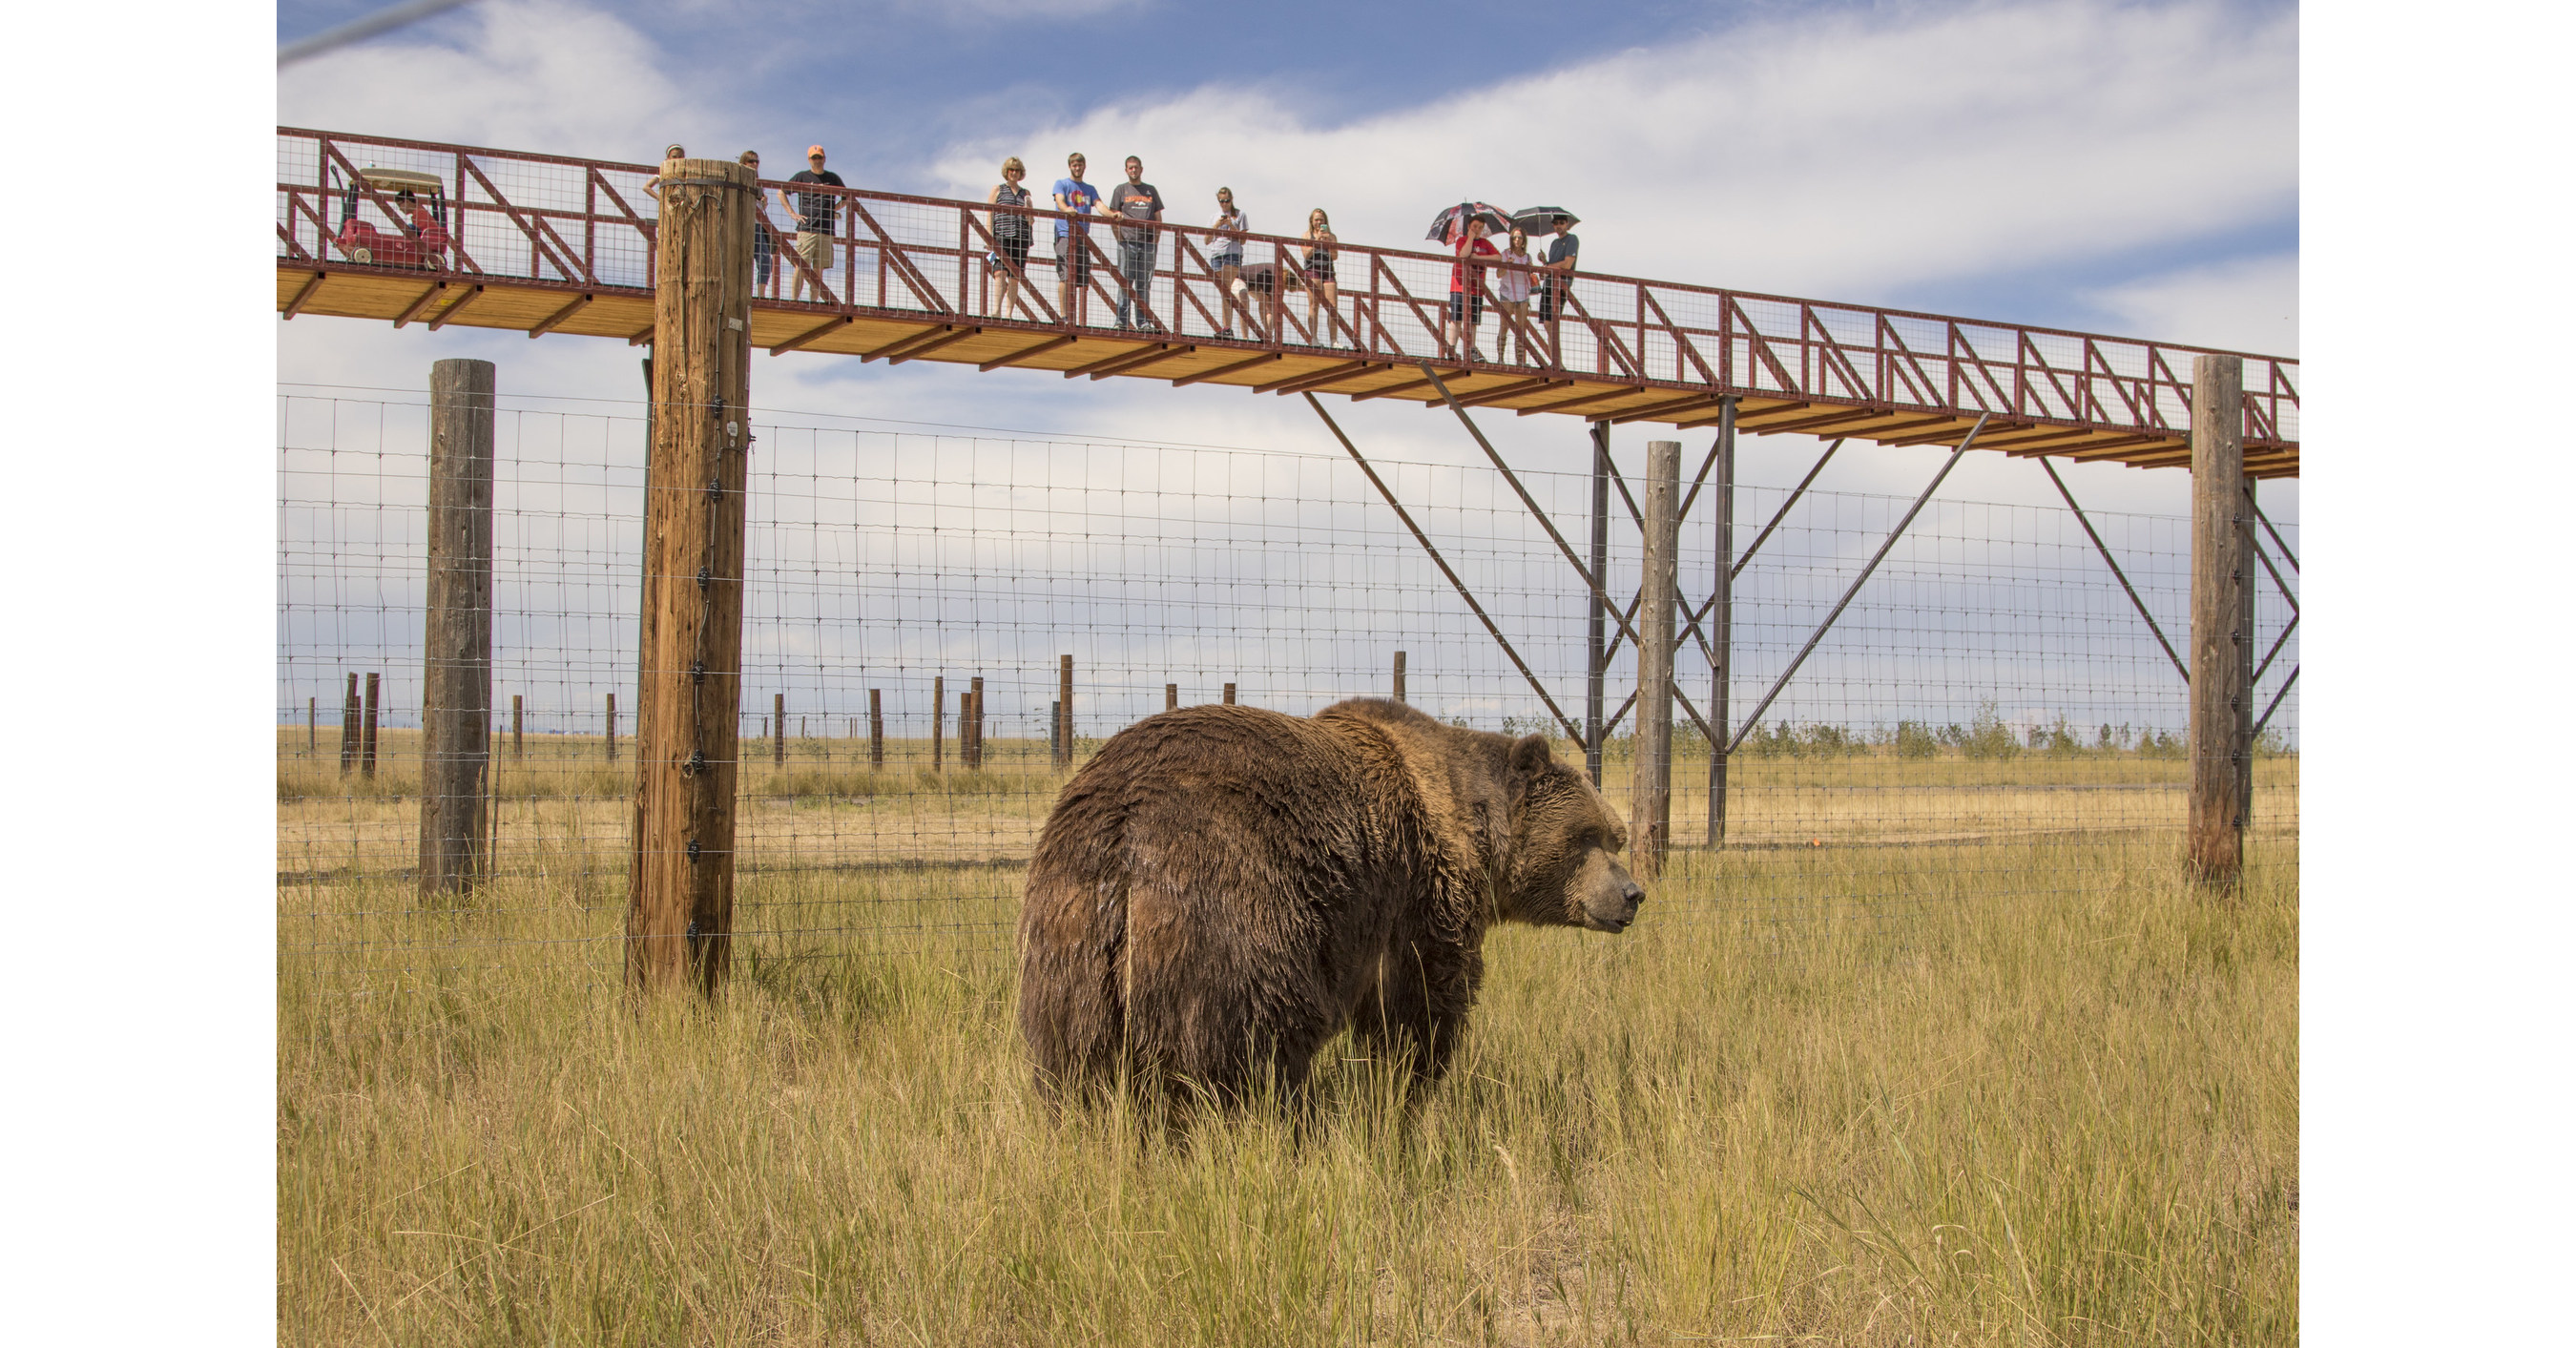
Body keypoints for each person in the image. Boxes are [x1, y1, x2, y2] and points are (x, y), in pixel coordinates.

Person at [1106, 156, 1165, 332]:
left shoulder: (1150, 190)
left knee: (1144, 284)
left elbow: (1158, 218)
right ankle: (1121, 321)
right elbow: (1112, 216)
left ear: (1141, 169)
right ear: (1126, 170)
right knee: (1125, 282)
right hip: (1127, 242)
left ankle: (1143, 322)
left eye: (1136, 167)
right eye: (1130, 168)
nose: (1133, 170)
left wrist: (1155, 241)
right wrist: (1120, 238)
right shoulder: (1121, 190)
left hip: (1147, 243)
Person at [780, 145, 845, 302]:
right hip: (807, 229)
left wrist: (833, 209)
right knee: (801, 266)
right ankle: (794, 301)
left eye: (819, 157)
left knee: (818, 270)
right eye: (814, 158)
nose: (817, 161)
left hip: (826, 230)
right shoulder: (802, 176)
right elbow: (781, 192)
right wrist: (792, 214)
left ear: (824, 159)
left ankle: (813, 303)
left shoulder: (833, 178)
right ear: (809, 160)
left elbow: (847, 197)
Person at [1051, 153, 1102, 325]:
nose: (1077, 167)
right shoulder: (1062, 184)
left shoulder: (1089, 189)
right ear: (1070, 166)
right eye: (1074, 165)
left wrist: (1114, 214)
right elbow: (1060, 201)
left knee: (1081, 278)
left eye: (1080, 164)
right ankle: (1065, 316)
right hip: (1065, 234)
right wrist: (1067, 209)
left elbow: (1099, 204)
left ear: (1084, 166)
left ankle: (1078, 317)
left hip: (1082, 237)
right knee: (1065, 275)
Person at [1444, 216, 1500, 363]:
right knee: (1456, 318)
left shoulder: (1485, 243)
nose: (1478, 230)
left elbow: (1498, 257)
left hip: (1476, 287)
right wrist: (1470, 238)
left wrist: (1479, 258)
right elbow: (1463, 254)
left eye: (1481, 227)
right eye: (1475, 226)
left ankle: (1471, 349)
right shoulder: (1462, 241)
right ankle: (1451, 349)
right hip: (1459, 286)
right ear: (1469, 226)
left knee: (1474, 320)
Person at [987, 156, 1035, 320]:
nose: (1014, 173)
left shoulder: (1025, 193)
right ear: (1006, 172)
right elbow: (990, 213)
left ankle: (1008, 314)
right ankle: (996, 310)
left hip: (1021, 236)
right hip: (1001, 234)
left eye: (1017, 170)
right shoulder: (998, 189)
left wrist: (1029, 210)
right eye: (1011, 170)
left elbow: (1031, 220)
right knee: (999, 272)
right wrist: (989, 236)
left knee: (1015, 277)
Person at [1536, 211, 1581, 367]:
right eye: (1556, 223)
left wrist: (1548, 266)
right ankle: (1556, 361)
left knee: (1552, 322)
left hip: (1561, 284)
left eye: (1562, 223)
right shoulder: (1554, 243)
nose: (1559, 226)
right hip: (1549, 283)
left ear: (1567, 224)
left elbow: (1567, 264)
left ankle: (1557, 362)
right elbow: (1553, 265)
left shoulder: (1572, 239)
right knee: (1547, 323)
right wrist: (1545, 262)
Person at [1208, 187, 1250, 339]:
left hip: (1232, 253)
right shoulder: (1214, 217)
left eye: (1226, 201)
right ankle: (1227, 327)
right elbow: (1206, 240)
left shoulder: (1240, 215)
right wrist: (1217, 226)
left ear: (1231, 200)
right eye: (1221, 201)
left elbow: (1243, 239)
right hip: (1216, 254)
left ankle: (1227, 328)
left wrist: (1231, 225)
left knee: (1226, 287)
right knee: (1224, 291)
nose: (1224, 204)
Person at [739, 151, 779, 299]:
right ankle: (742, 292)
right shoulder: (738, 177)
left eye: (757, 161)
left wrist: (763, 204)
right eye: (751, 161)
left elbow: (759, 207)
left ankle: (760, 295)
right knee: (741, 260)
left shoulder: (759, 184)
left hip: (756, 225)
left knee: (765, 259)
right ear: (743, 162)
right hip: (740, 224)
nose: (754, 164)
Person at [1496, 225, 1536, 364]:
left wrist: (1531, 268)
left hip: (1523, 294)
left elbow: (1532, 276)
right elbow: (1498, 274)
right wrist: (1506, 265)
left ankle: (1520, 360)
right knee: (1504, 326)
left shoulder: (1527, 257)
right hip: (1508, 293)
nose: (1517, 240)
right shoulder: (1505, 254)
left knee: (1521, 328)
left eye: (1519, 237)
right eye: (1514, 237)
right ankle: (1500, 358)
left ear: (1524, 240)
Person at [1301, 208, 1340, 346]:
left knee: (1332, 305)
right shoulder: (1307, 235)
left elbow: (1335, 256)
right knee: (1314, 304)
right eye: (1316, 220)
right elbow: (1306, 254)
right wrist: (1316, 240)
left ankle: (1333, 340)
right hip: (1313, 270)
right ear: (1312, 221)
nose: (1319, 222)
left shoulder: (1331, 236)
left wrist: (1328, 242)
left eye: (1321, 220)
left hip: (1328, 270)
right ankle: (1314, 338)